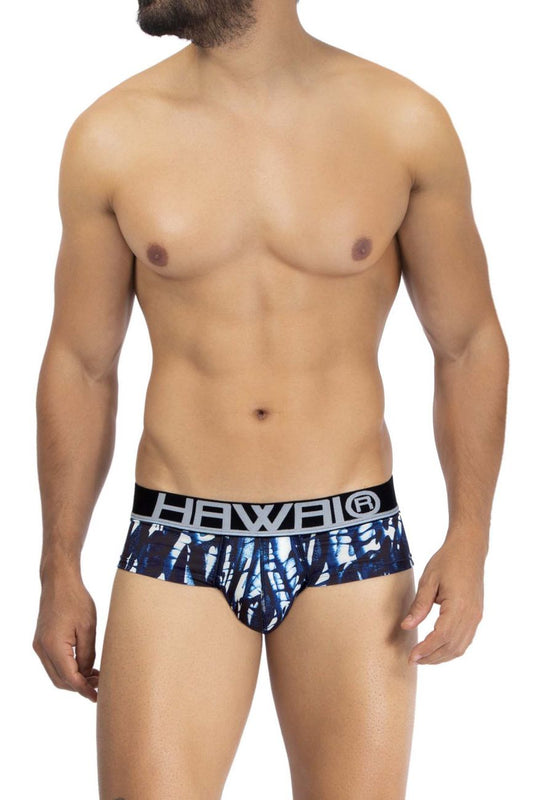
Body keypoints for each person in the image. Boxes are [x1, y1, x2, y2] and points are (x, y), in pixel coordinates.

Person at [32, 1, 509, 798]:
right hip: (177, 539)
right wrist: (58, 565)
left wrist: (470, 538)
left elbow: (467, 342)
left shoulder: (401, 123)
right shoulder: (111, 135)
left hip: (350, 541)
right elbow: (80, 364)